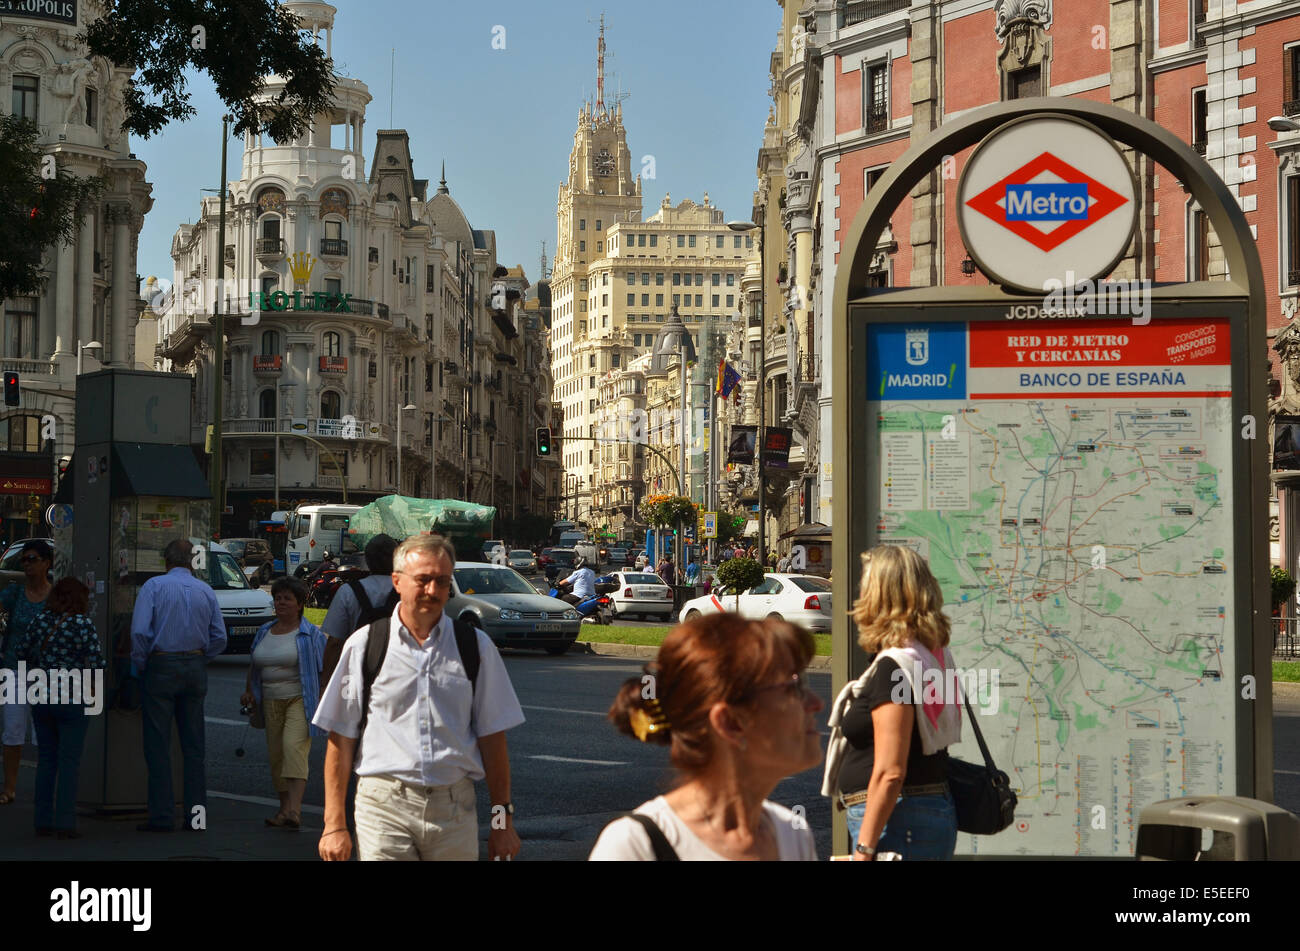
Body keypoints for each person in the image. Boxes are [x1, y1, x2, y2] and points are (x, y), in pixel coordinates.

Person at [313, 534, 525, 861]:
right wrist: (333, 824)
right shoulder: (364, 646)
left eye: (442, 582)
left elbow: (493, 741)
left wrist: (502, 823)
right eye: (423, 580)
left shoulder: (476, 647)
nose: (432, 591)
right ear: (397, 581)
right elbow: (340, 739)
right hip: (383, 808)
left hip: (454, 811)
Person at [589, 613, 823, 860]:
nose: (817, 703)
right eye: (794, 687)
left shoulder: (792, 833)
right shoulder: (636, 846)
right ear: (730, 723)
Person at [823, 545, 960, 861]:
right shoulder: (932, 654)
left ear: (882, 594)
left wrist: (864, 850)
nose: (860, 594)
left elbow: (890, 772)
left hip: (900, 821)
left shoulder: (895, 666)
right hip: (918, 813)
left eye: (866, 585)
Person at [130, 538, 227, 832]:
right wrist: (201, 656)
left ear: (166, 561)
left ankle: (161, 817)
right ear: (191, 561)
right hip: (195, 665)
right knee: (194, 747)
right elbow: (220, 636)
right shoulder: (205, 590)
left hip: (162, 664)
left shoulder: (154, 587)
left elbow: (139, 633)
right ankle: (196, 817)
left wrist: (141, 664)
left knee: (158, 745)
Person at [18, 577, 104, 838]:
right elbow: (97, 662)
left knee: (47, 760)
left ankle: (42, 820)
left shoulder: (40, 620)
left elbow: (22, 652)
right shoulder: (82, 623)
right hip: (72, 696)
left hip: (42, 695)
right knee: (69, 762)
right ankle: (65, 822)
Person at [240, 577, 326, 830]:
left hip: (300, 699)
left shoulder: (310, 634)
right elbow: (254, 666)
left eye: (288, 598)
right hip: (270, 700)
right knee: (277, 756)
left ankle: (294, 811)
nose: (281, 603)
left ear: (299, 604)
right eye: (278, 598)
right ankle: (283, 809)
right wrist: (248, 691)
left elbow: (325, 669)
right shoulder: (265, 630)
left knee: (293, 748)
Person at [0, 539, 53, 804]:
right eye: (24, 560)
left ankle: (46, 787)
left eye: (32, 559)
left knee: (43, 733)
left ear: (46, 563)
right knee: (12, 729)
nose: (27, 565)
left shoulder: (56, 597)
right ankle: (9, 788)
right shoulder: (14, 593)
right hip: (13, 669)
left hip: (45, 673)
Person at [320, 534, 398, 684]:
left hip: (356, 676)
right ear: (397, 559)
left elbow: (335, 642)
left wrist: (325, 682)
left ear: (367, 560)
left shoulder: (348, 592)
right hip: (397, 675)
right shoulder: (409, 591)